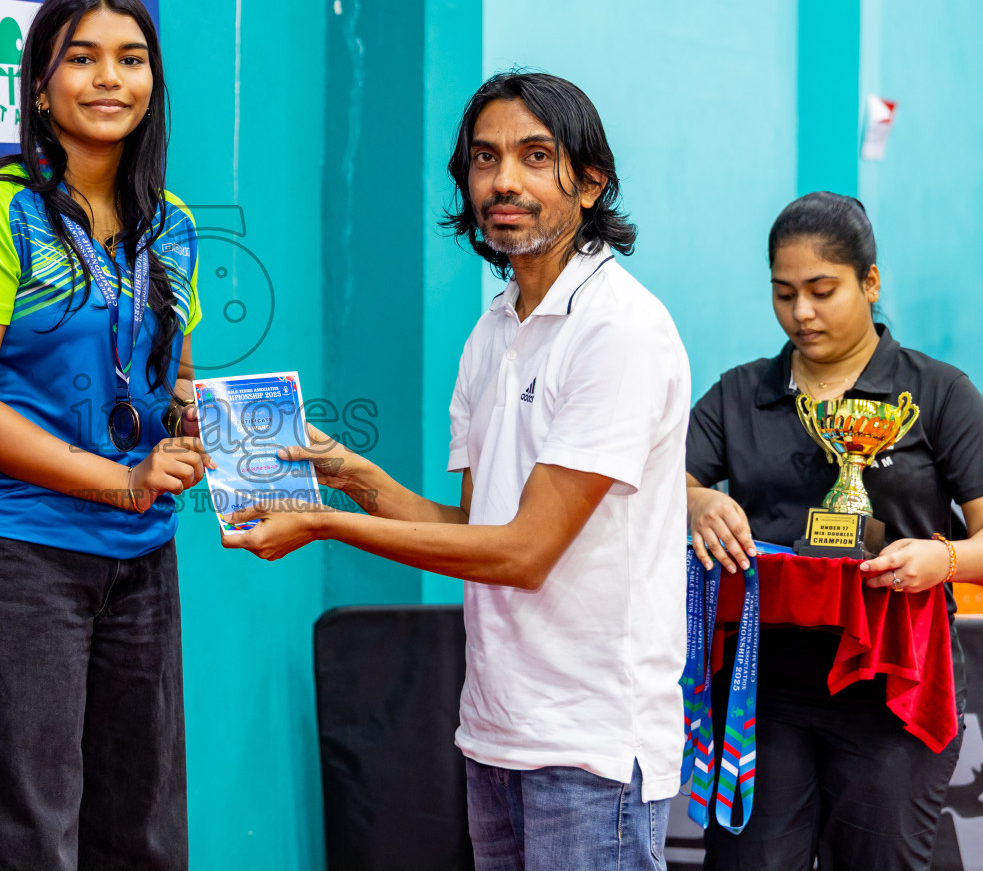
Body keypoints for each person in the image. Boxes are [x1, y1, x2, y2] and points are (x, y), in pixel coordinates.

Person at [224, 71, 690, 870]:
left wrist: (329, 527)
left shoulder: (619, 331)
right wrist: (348, 475)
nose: (504, 179)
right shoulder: (496, 329)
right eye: (484, 157)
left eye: (535, 156)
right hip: (496, 731)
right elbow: (478, 530)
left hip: (591, 748)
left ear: (589, 181)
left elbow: (522, 553)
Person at [0, 0, 207, 870]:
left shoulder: (175, 226)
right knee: (25, 837)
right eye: (80, 59)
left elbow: (172, 370)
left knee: (144, 834)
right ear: (38, 84)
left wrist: (222, 427)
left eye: (130, 58)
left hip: (140, 561)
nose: (108, 78)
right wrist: (120, 480)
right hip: (14, 559)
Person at [686, 191, 983, 871]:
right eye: (783, 293)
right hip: (759, 687)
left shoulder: (939, 393)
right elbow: (660, 487)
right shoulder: (739, 394)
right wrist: (698, 502)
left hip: (894, 687)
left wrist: (942, 560)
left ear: (871, 282)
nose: (801, 313)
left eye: (823, 291)